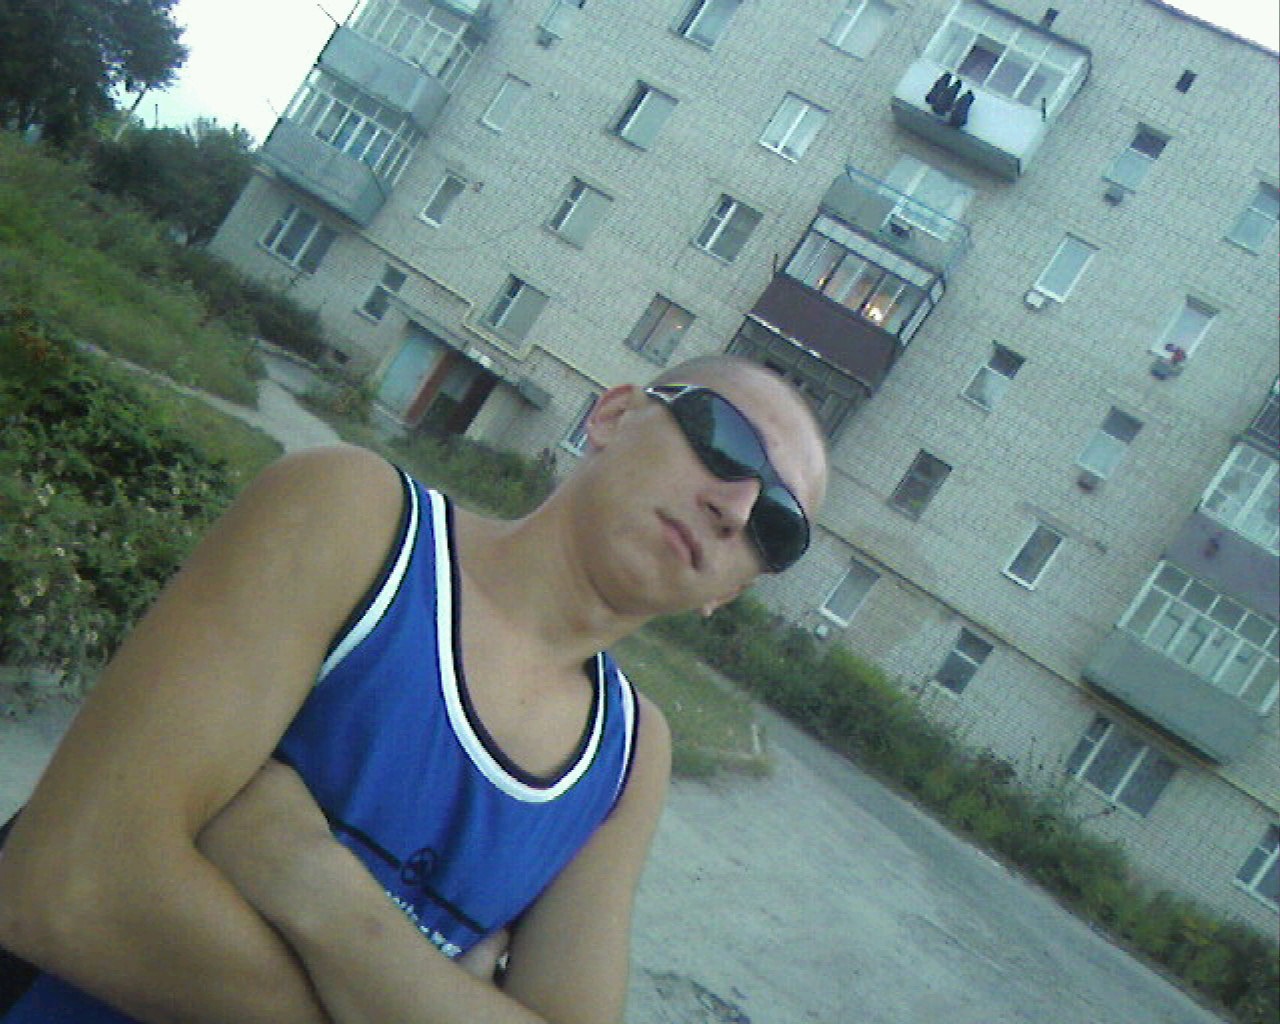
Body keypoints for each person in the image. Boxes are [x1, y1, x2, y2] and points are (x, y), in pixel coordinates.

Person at [0, 354, 828, 1023]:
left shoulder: (630, 758)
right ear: (612, 416)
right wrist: (420, 998)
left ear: (733, 590)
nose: (735, 507)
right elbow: (68, 889)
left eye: (776, 525)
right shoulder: (353, 520)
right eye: (724, 442)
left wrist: (311, 881)